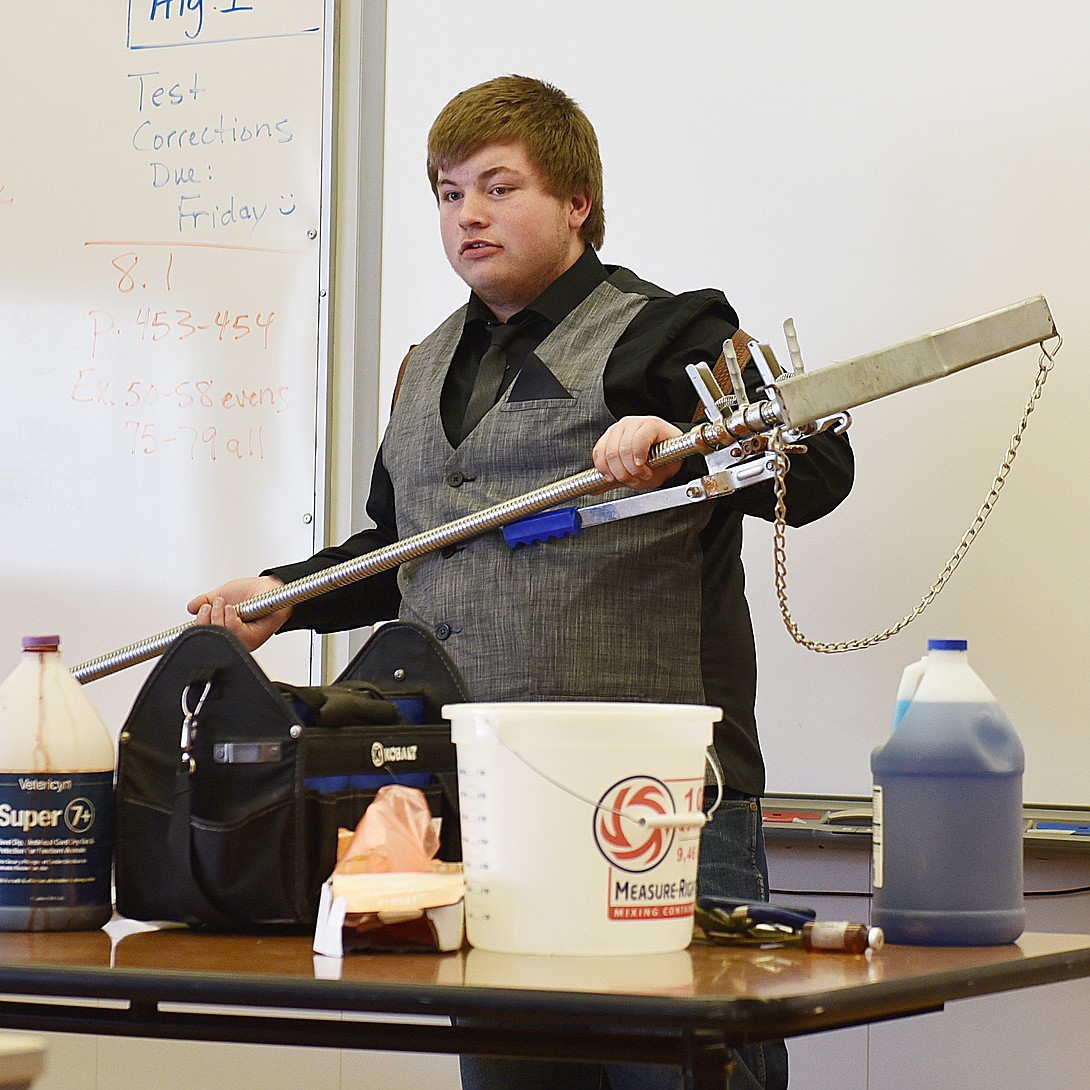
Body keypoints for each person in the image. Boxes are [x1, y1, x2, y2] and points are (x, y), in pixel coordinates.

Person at [189, 75, 854, 1090]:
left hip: (659, 808)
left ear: (576, 200)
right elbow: (409, 547)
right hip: (484, 808)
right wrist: (285, 593)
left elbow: (816, 471)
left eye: (498, 188)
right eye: (449, 194)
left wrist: (687, 444)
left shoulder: (670, 334)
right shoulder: (424, 366)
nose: (469, 216)